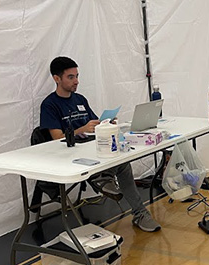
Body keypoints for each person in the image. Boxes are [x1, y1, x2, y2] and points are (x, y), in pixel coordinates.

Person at [40, 56, 161, 232]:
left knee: (122, 160)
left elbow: (94, 124)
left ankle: (125, 198)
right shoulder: (49, 105)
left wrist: (106, 124)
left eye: (77, 76)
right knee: (120, 163)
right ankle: (106, 180)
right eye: (71, 77)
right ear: (56, 79)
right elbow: (57, 138)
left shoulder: (80, 99)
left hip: (93, 148)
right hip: (71, 155)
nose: (76, 81)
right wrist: (81, 129)